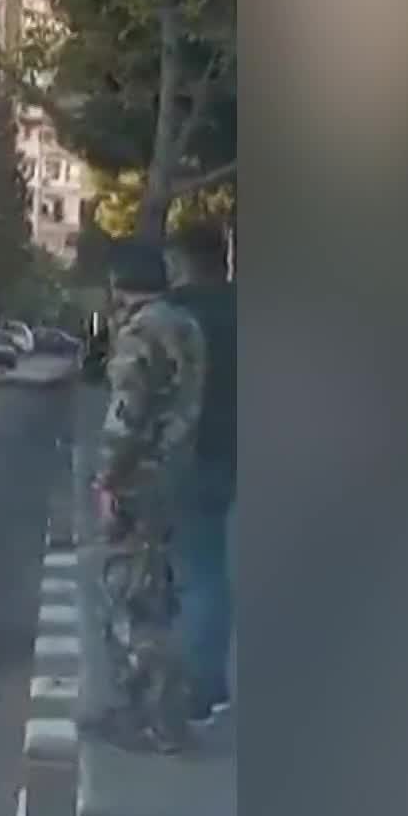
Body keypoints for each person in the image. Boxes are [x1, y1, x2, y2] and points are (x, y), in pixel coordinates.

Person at [83, 238, 208, 753]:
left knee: (131, 597)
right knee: (158, 591)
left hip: (140, 479)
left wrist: (107, 480)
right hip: (178, 473)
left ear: (119, 284)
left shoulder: (140, 333)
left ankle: (153, 720)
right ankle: (162, 712)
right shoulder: (187, 326)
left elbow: (127, 417)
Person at [164, 222, 236, 727]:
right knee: (205, 565)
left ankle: (188, 690)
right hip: (230, 450)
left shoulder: (174, 314)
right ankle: (205, 683)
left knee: (189, 571)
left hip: (180, 453)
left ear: (180, 260)